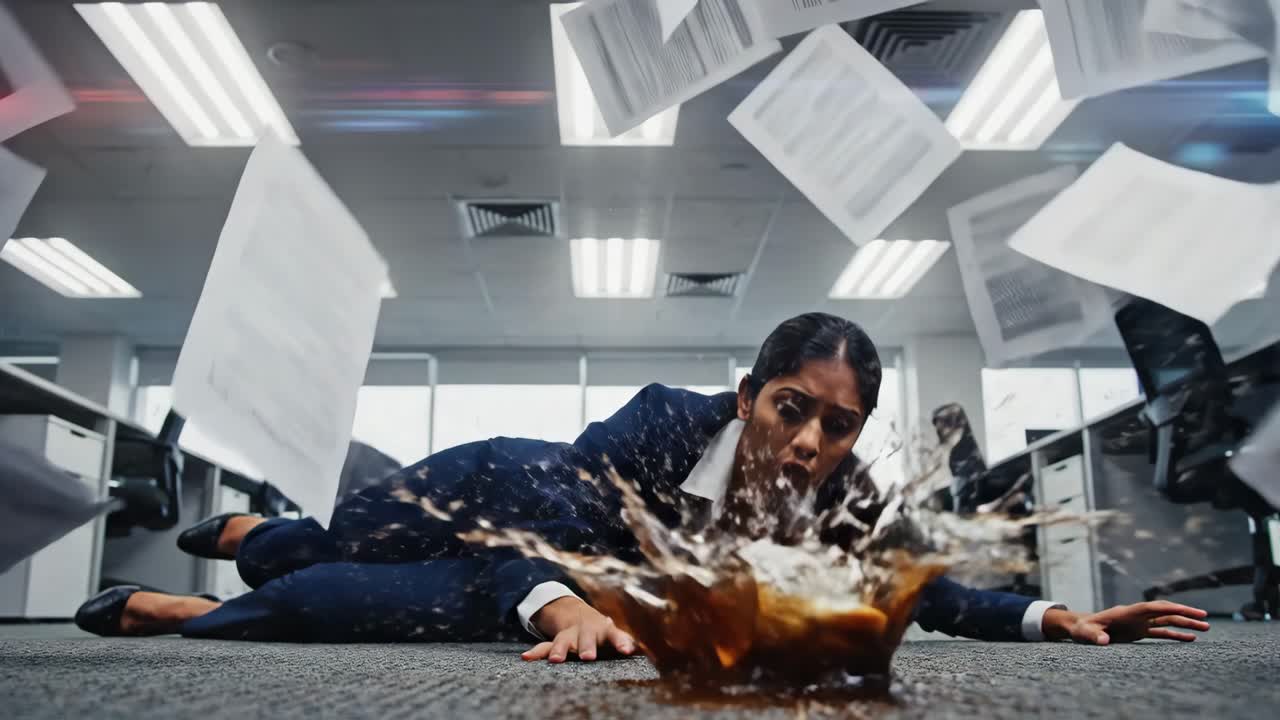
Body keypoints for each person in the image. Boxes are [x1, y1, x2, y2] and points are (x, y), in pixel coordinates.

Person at [74, 313, 1210, 660]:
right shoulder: (664, 421)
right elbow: (544, 527)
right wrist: (559, 601)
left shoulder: (844, 488)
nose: (811, 440)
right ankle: (260, 536)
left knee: (368, 605)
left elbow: (920, 586)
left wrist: (1047, 616)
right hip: (489, 494)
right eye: (792, 408)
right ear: (746, 394)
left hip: (536, 581)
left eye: (839, 424)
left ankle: (195, 607)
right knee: (341, 538)